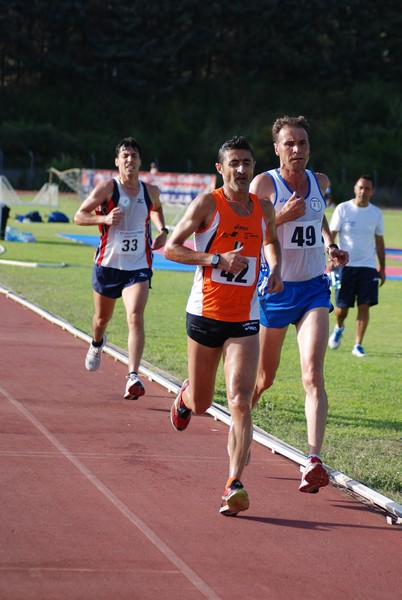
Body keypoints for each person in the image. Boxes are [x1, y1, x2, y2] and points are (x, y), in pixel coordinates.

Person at [164, 136, 283, 516]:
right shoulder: (207, 204)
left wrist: (275, 268)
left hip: (244, 319)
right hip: (204, 315)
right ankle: (184, 399)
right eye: (234, 162)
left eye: (247, 162)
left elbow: (271, 241)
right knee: (201, 403)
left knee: (240, 399)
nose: (241, 169)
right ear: (221, 168)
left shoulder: (263, 208)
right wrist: (216, 258)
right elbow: (170, 247)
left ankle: (234, 482)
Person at [250, 115, 349, 494]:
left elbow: (318, 213)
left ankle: (312, 460)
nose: (297, 150)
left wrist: (328, 245)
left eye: (302, 143)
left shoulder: (320, 181)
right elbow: (252, 228)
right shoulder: (264, 183)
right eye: (289, 143)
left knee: (312, 374)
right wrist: (279, 216)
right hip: (276, 290)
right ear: (276, 148)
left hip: (312, 291)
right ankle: (242, 417)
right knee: (264, 379)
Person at [74, 137, 168, 399]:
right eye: (124, 155)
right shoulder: (107, 188)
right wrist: (104, 217)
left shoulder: (150, 191)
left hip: (138, 266)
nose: (130, 160)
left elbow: (157, 210)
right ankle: (96, 343)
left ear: (140, 161)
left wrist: (163, 230)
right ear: (117, 161)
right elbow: (79, 215)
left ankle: (132, 376)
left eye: (134, 155)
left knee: (135, 316)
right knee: (101, 320)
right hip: (108, 265)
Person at [328, 175, 386, 358]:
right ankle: (339, 327)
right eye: (360, 187)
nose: (363, 191)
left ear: (372, 191)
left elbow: (379, 242)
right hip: (345, 266)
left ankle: (358, 345)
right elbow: (331, 235)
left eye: (367, 188)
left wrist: (382, 267)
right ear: (355, 188)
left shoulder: (376, 213)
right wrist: (331, 259)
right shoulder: (343, 209)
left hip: (368, 266)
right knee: (342, 308)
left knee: (364, 305)